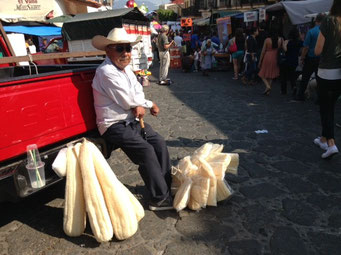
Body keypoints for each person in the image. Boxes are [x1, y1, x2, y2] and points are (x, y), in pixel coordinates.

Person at [91, 28, 173, 210]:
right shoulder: (106, 72)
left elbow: (136, 91)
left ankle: (167, 186)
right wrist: (148, 104)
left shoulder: (126, 70)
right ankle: (159, 198)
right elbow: (127, 99)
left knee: (158, 142)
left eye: (127, 48)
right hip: (113, 124)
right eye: (120, 49)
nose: (125, 53)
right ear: (108, 51)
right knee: (146, 151)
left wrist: (138, 104)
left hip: (130, 120)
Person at [313, 1, 341, 159]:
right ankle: (323, 139)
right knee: (331, 106)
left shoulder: (329, 21)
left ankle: (331, 143)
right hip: (340, 73)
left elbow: (318, 50)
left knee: (326, 108)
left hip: (326, 72)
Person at [295, 13, 325, 101]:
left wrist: (302, 57)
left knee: (305, 77)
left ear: (316, 21)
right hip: (322, 59)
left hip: (311, 58)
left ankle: (300, 95)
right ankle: (320, 98)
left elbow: (306, 47)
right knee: (320, 79)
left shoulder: (311, 31)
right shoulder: (326, 32)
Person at [258, 26, 283, 95]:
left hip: (267, 56)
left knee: (262, 73)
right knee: (271, 74)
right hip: (276, 57)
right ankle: (268, 91)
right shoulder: (281, 39)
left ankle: (267, 86)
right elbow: (283, 48)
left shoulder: (267, 40)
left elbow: (263, 51)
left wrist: (260, 61)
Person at [279, 27, 303, 95]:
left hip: (286, 60)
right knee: (292, 75)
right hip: (294, 61)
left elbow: (285, 50)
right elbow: (303, 46)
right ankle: (294, 86)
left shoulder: (288, 41)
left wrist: (283, 44)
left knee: (283, 76)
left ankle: (283, 91)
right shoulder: (299, 42)